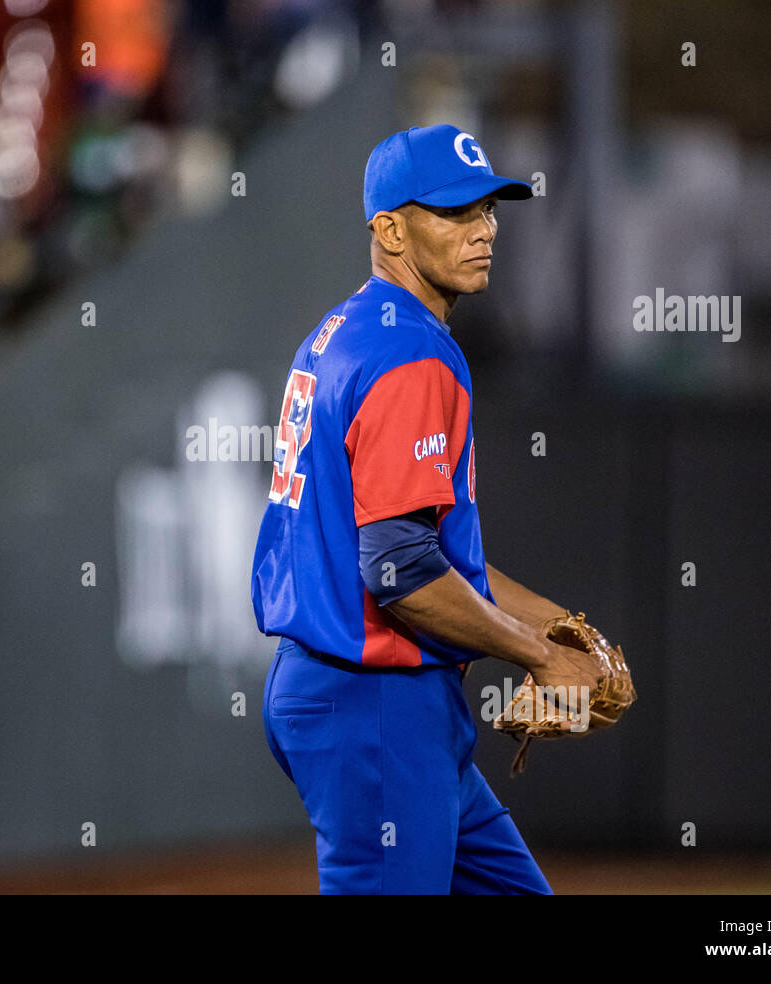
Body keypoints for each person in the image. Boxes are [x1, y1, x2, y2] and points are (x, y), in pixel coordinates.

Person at [251, 124, 607, 894]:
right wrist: (541, 658)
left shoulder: (341, 333)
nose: (483, 231)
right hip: (372, 703)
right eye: (453, 213)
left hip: (367, 700)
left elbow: (428, 551)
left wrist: (555, 623)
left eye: (487, 210)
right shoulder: (407, 353)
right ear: (389, 228)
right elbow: (399, 570)